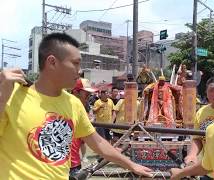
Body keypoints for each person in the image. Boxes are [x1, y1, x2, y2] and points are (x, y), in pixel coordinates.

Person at [0, 33, 152, 179]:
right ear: (52, 62)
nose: (79, 71)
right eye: (75, 63)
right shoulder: (11, 95)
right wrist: (2, 98)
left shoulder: (73, 104)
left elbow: (98, 143)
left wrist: (131, 165)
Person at [183, 78, 214, 180]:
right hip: (206, 170)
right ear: (206, 93)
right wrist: (192, 155)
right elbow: (198, 139)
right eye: (211, 90)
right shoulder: (201, 112)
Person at [69, 78, 98, 176]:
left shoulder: (82, 112)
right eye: (86, 94)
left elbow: (93, 139)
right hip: (59, 165)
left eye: (90, 94)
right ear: (76, 92)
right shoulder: (61, 108)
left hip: (74, 163)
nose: (88, 97)